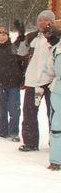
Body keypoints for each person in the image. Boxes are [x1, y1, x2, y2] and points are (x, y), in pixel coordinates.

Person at [14, 10, 55, 152]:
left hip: (52, 82)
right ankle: (30, 142)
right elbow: (19, 52)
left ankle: (56, 143)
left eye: (46, 20)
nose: (43, 22)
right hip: (33, 82)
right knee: (29, 113)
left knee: (54, 114)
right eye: (40, 20)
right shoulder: (32, 37)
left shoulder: (58, 36)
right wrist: (20, 36)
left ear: (52, 22)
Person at [44, 21, 61, 170]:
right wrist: (39, 86)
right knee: (57, 125)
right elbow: (48, 70)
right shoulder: (56, 49)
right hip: (58, 91)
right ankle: (56, 160)